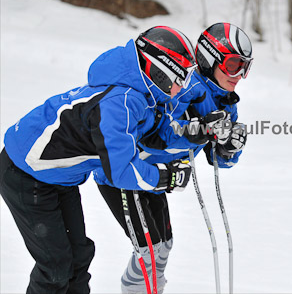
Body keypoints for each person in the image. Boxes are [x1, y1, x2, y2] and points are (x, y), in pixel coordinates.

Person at [0, 25, 194, 293]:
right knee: (56, 266)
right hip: (26, 173)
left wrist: (199, 132)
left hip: (59, 177)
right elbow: (121, 171)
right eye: (180, 77)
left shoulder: (142, 96)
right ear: (158, 71)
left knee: (79, 255)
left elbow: (155, 135)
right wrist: (166, 176)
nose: (181, 87)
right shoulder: (119, 102)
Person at [94, 22, 252, 294]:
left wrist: (229, 147)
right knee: (150, 250)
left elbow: (218, 160)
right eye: (233, 65)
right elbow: (155, 134)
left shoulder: (226, 102)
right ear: (209, 59)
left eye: (245, 67)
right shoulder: (182, 86)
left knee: (163, 246)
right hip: (127, 171)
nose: (239, 75)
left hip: (156, 175)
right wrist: (198, 129)